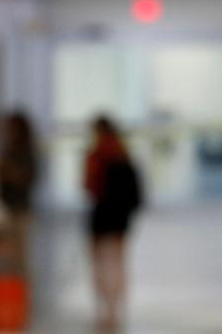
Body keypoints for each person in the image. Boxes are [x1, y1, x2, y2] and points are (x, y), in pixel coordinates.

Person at [83, 115, 143, 331]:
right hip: (121, 215)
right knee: (118, 263)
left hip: (102, 213)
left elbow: (87, 185)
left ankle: (103, 309)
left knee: (99, 263)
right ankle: (114, 310)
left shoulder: (96, 155)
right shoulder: (122, 153)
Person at [0, 112, 39, 272]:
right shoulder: (8, 149)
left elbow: (26, 176)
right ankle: (11, 287)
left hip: (19, 206)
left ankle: (19, 289)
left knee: (19, 253)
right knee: (8, 252)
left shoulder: (24, 151)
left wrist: (6, 171)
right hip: (7, 205)